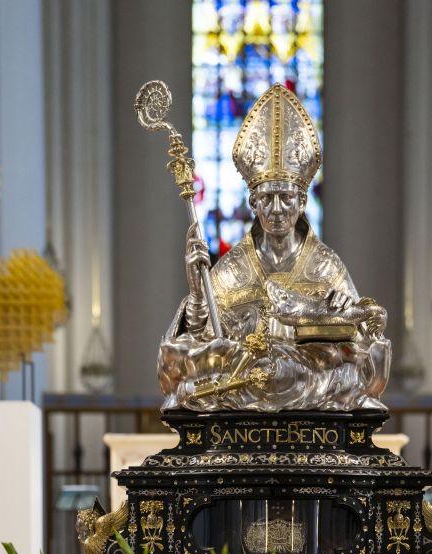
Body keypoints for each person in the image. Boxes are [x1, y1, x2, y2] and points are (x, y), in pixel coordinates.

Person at [160, 83, 390, 412]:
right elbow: (200, 342)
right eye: (267, 198)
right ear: (253, 203)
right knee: (192, 383)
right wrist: (197, 294)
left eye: (286, 198)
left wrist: (348, 316)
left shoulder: (324, 265)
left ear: (302, 202)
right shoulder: (232, 268)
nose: (277, 209)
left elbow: (364, 342)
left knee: (347, 380)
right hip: (244, 388)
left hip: (307, 385)